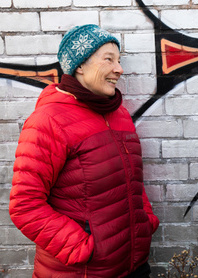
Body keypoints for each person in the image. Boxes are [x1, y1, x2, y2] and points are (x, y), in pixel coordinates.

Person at [9, 24, 159, 278]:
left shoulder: (119, 114)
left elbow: (132, 180)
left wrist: (145, 221)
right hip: (83, 271)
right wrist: (82, 247)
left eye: (119, 60)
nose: (119, 69)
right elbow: (25, 205)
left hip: (132, 264)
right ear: (79, 65)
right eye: (108, 59)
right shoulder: (49, 120)